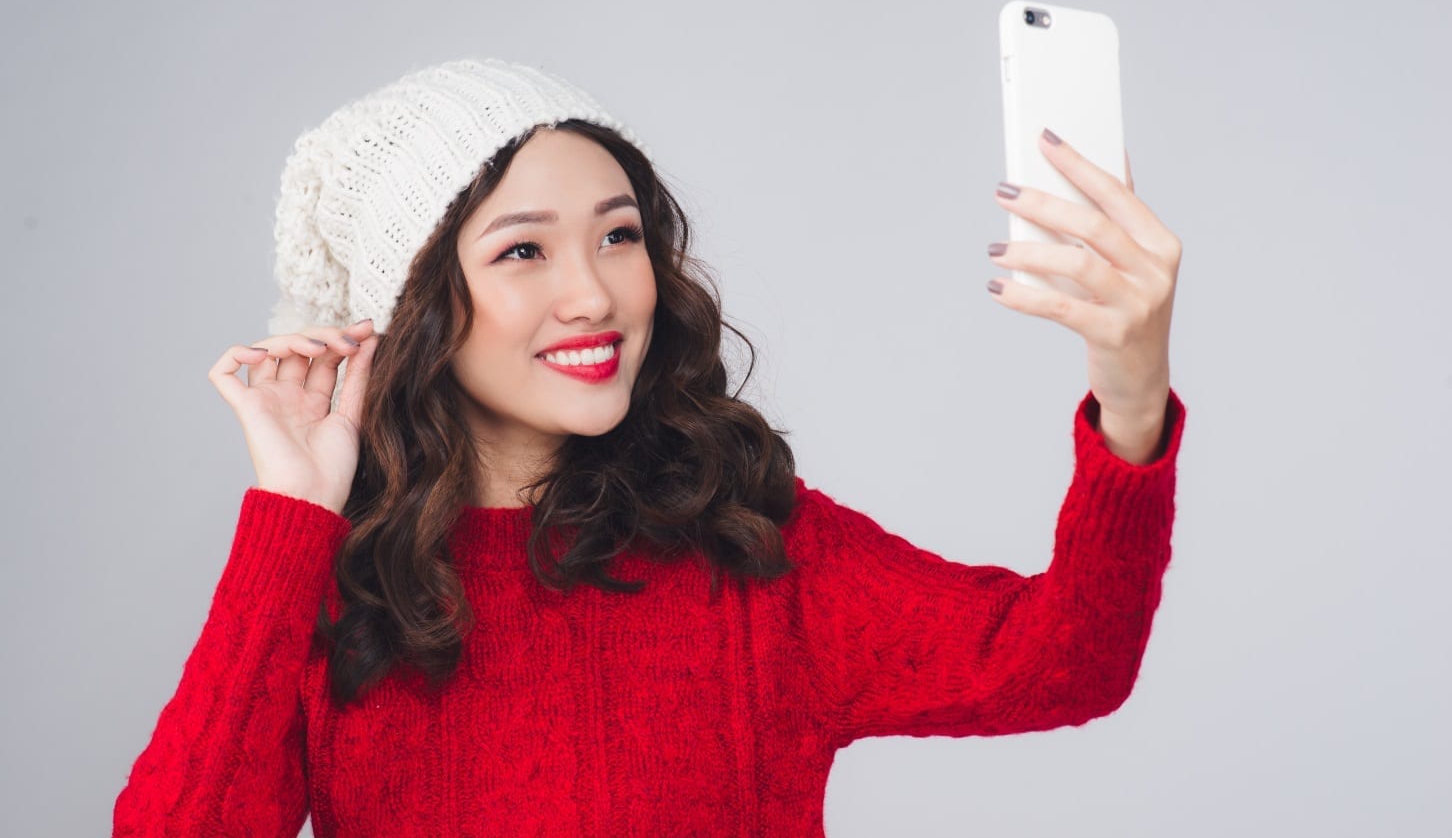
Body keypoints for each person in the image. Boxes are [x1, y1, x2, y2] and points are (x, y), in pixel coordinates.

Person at [112, 58, 1186, 837]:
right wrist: (292, 515)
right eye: (523, 247)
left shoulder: (748, 546)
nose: (594, 294)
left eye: (619, 233)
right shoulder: (333, 589)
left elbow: (1064, 660)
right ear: (411, 305)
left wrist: (1129, 384)